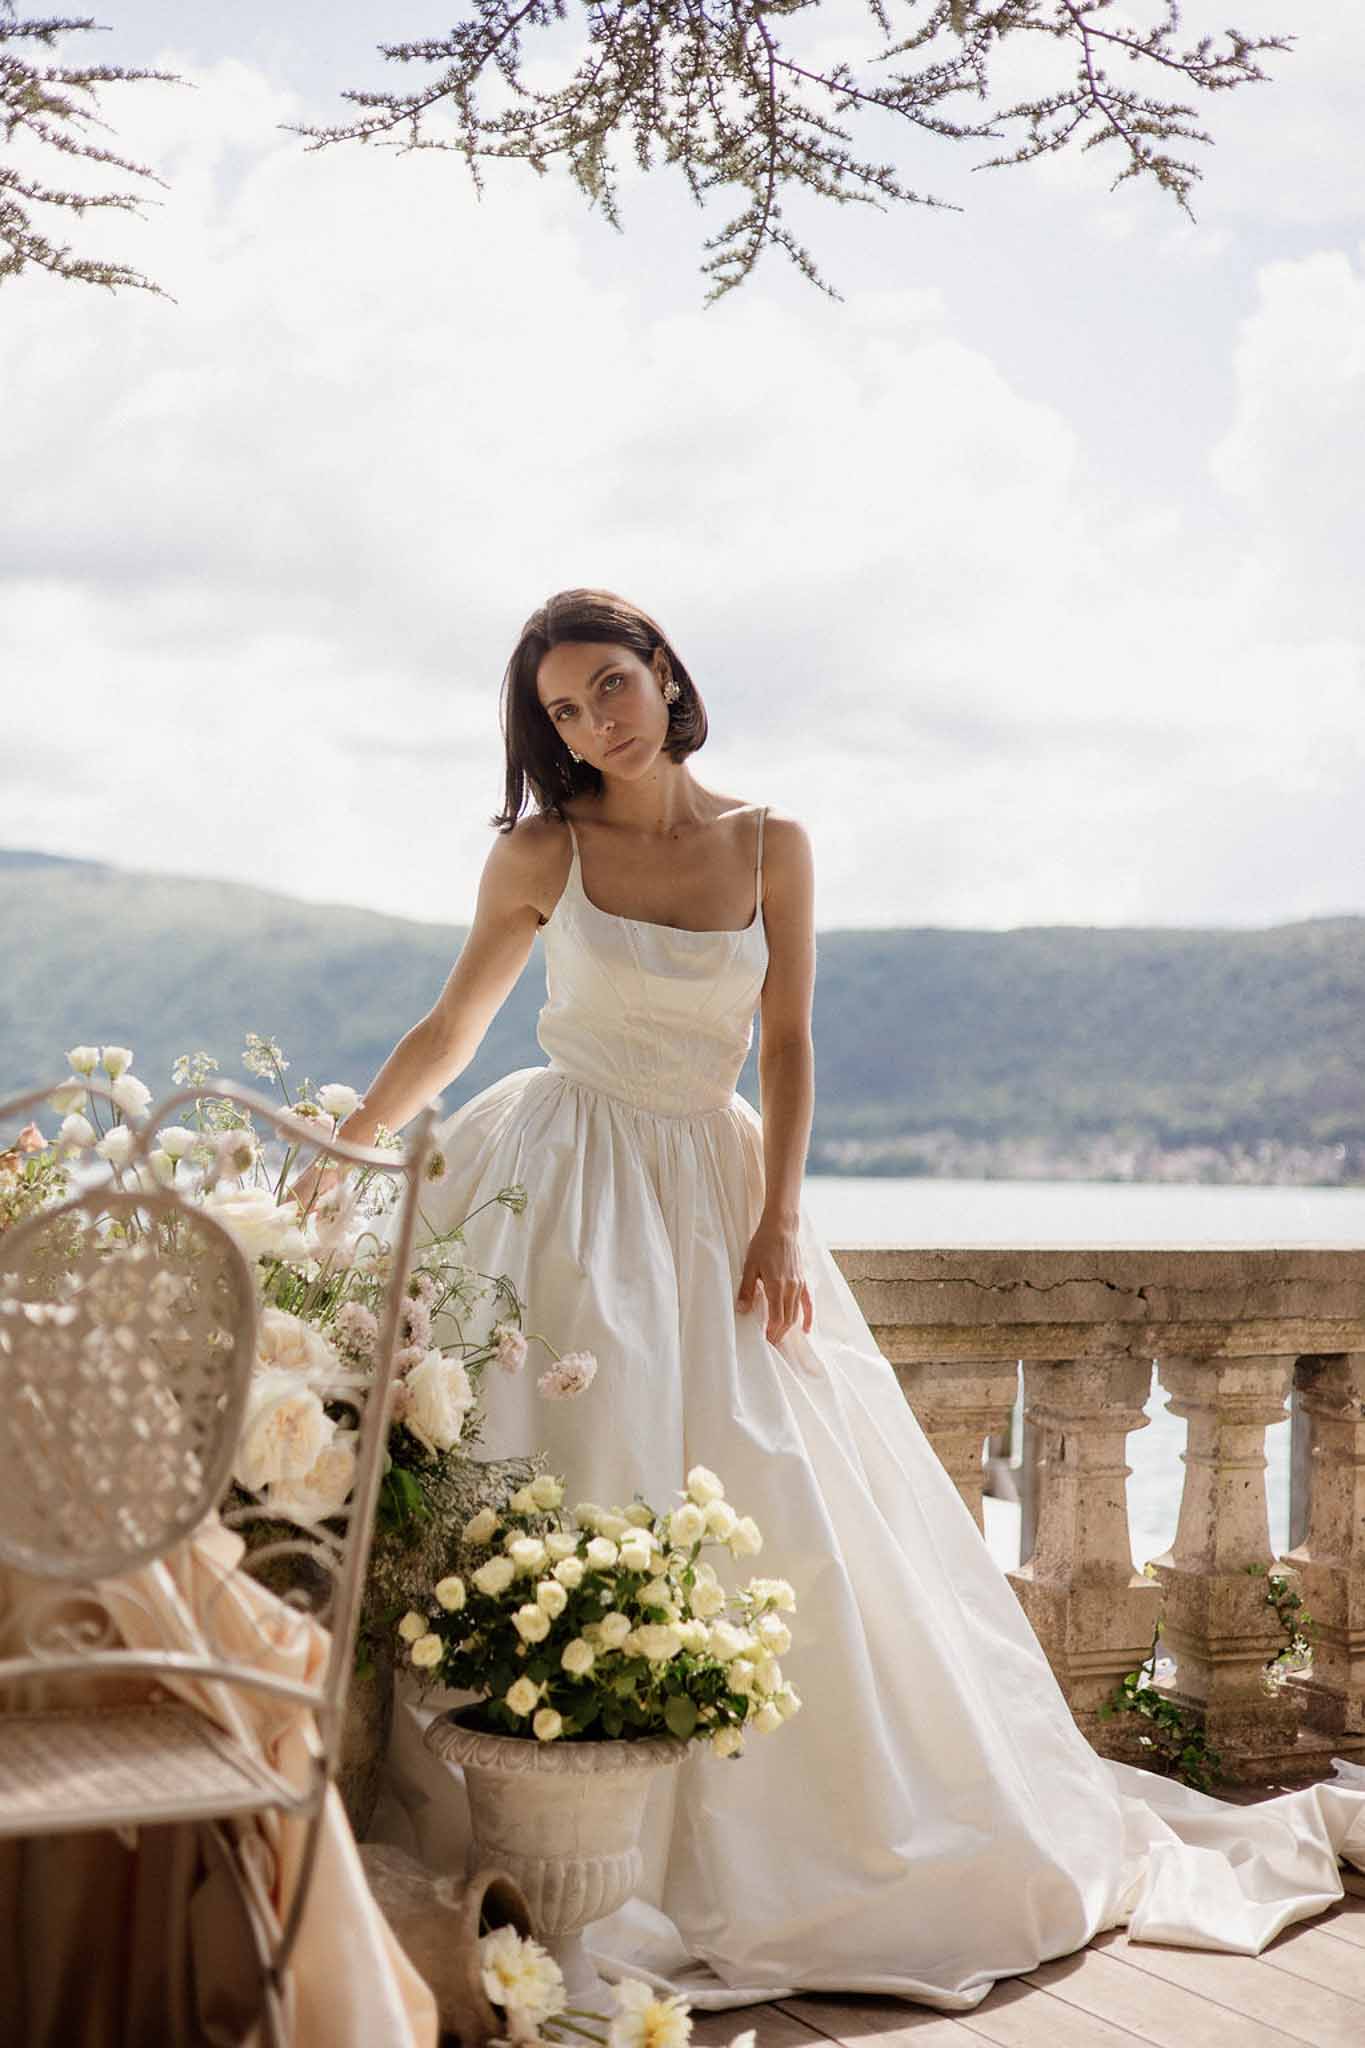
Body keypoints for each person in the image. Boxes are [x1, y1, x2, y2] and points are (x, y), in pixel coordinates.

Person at [329, 588, 1365, 2013]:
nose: (593, 724)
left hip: (711, 1188)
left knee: (758, 1493)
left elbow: (789, 1042)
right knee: (550, 1470)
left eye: (609, 685)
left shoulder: (773, 843)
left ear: (664, 674)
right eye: (562, 710)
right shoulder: (540, 849)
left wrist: (778, 1222)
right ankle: (546, 1836)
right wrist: (348, 1148)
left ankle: (746, 1824)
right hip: (558, 1179)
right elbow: (453, 1027)